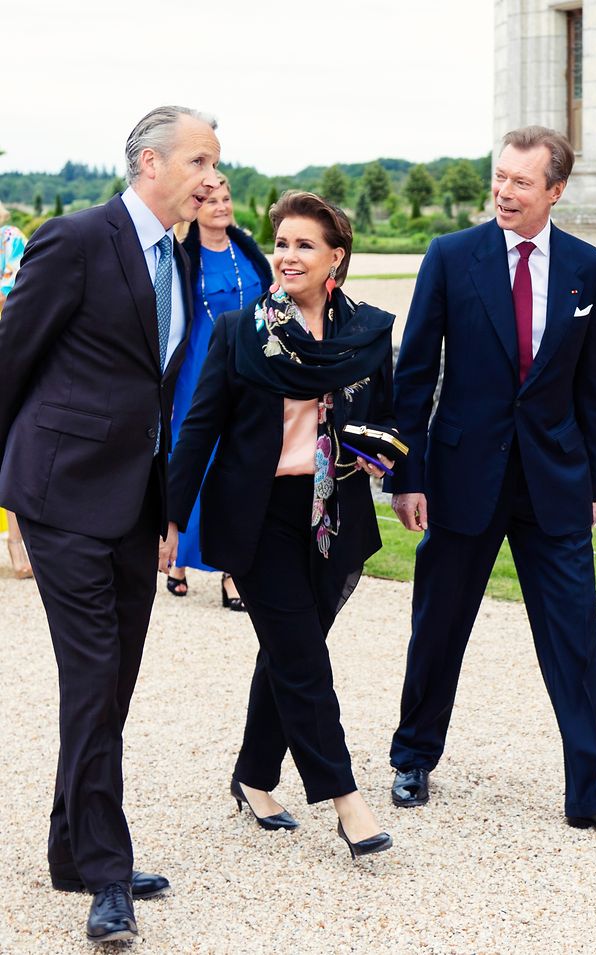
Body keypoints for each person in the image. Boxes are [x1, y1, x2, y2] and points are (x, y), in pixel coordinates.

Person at [387, 126, 596, 841]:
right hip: (461, 477)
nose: (504, 191)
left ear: (555, 191)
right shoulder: (450, 256)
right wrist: (408, 475)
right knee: (438, 626)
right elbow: (415, 375)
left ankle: (588, 791)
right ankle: (413, 758)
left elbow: (593, 389)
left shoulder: (590, 268)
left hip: (554, 483)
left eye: (521, 182)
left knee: (576, 638)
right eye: (499, 177)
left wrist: (592, 484)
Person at [0, 105, 221, 942]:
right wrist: (7, 501)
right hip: (60, 496)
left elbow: (157, 389)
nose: (213, 178)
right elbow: (11, 360)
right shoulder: (75, 239)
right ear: (151, 162)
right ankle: (105, 871)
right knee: (94, 678)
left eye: (216, 163)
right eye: (200, 161)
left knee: (111, 683)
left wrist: (166, 507)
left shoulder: (180, 256)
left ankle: (69, 847)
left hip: (133, 502)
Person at [161, 191, 394, 859]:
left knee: (290, 652)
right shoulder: (241, 331)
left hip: (333, 515)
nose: (287, 255)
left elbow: (391, 416)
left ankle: (255, 775)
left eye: (304, 245)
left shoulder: (367, 332)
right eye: (282, 243)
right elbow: (199, 428)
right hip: (257, 515)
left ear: (335, 258)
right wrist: (171, 517)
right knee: (303, 658)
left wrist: (393, 467)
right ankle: (346, 800)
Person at [168, 174, 272, 609]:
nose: (222, 206)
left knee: (239, 461)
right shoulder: (183, 256)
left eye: (227, 199)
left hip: (249, 368)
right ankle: (179, 556)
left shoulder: (247, 250)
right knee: (196, 457)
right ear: (196, 208)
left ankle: (232, 569)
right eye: (212, 201)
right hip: (199, 369)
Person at [0, 210, 33, 578]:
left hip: (6, 348)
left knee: (9, 444)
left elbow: (16, 296)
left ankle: (16, 541)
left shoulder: (9, 239)